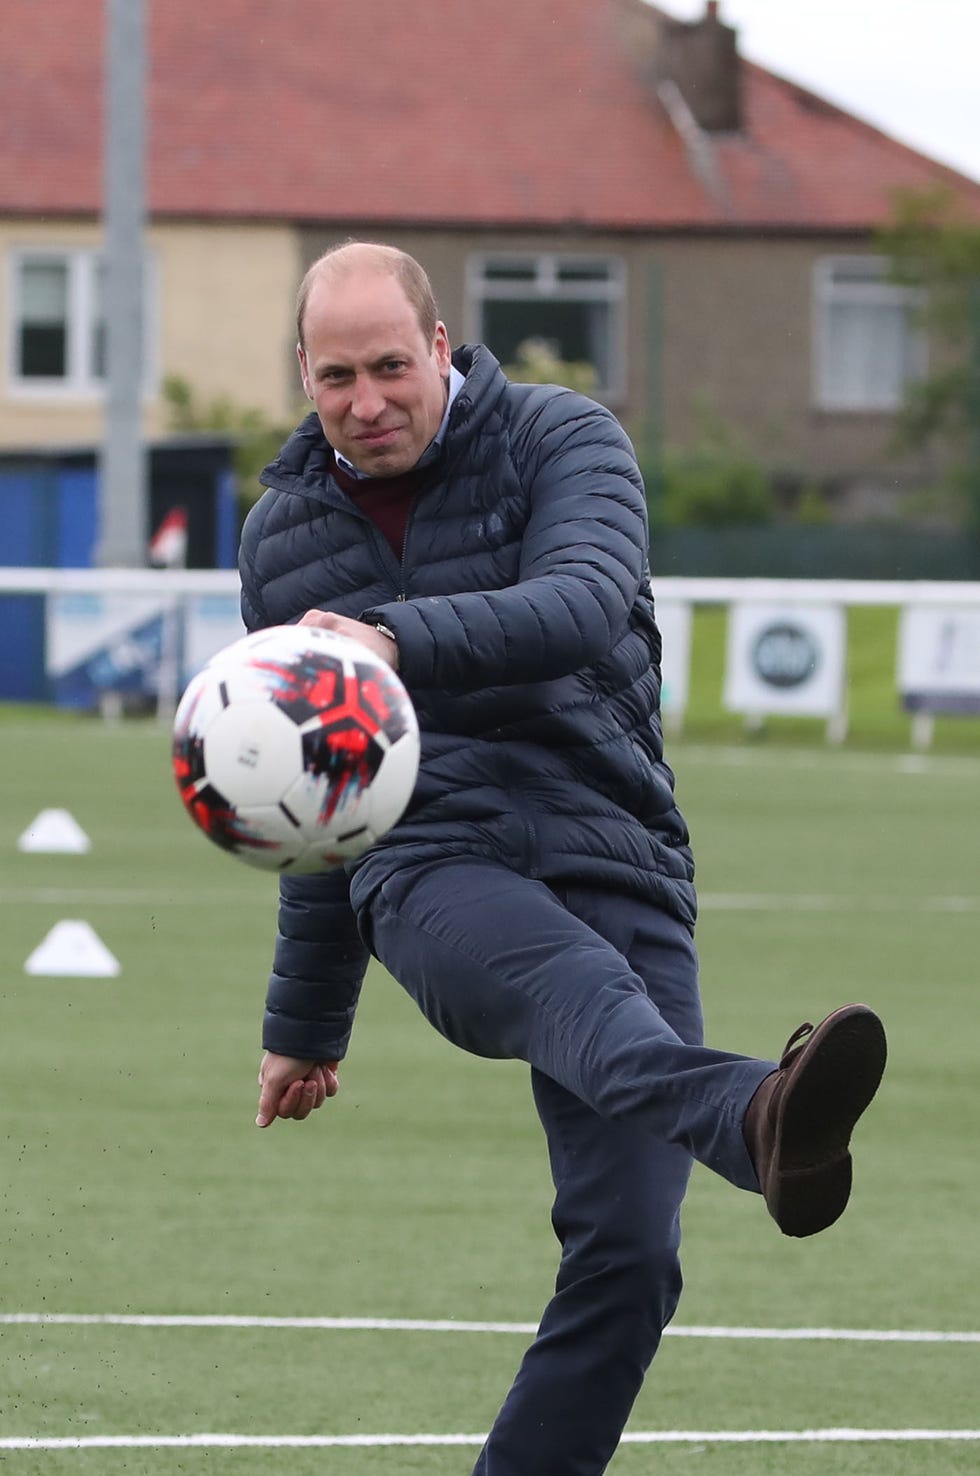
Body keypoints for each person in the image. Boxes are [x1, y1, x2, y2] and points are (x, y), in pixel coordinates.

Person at [238, 241, 886, 1475]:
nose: (364, 401)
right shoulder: (279, 542)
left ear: (440, 348)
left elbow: (582, 603)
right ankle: (751, 1113)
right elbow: (307, 785)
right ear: (303, 378)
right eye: (333, 377)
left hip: (612, 842)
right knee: (569, 989)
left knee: (631, 1256)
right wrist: (309, 1023)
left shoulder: (563, 438)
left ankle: (749, 1123)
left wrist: (385, 638)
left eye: (388, 365)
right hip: (428, 862)